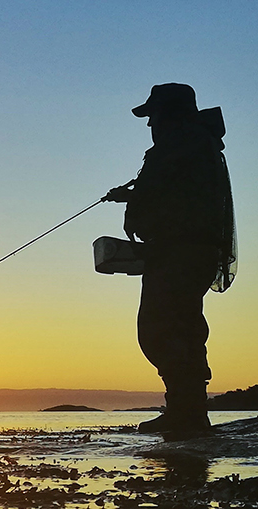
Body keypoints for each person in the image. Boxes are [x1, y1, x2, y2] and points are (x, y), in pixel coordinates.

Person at [102, 83, 236, 435]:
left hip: (180, 251)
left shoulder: (184, 143)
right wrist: (133, 195)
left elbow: (173, 196)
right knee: (179, 328)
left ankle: (186, 412)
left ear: (170, 113)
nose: (150, 125)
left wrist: (137, 197)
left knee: (164, 329)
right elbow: (176, 191)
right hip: (180, 250)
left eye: (153, 115)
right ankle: (186, 409)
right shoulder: (190, 143)